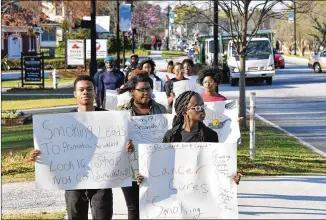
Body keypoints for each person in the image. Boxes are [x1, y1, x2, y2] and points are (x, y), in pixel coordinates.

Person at [30, 75, 129, 220]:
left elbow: (121, 144)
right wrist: (38, 154)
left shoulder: (110, 118)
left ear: (95, 92)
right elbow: (54, 149)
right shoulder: (63, 122)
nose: (85, 92)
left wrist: (127, 145)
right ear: (75, 93)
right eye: (81, 89)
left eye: (89, 89)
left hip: (101, 180)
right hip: (74, 180)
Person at [136, 91, 242, 184]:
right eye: (197, 107)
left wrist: (230, 177)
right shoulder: (171, 136)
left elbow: (216, 165)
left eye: (203, 106)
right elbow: (161, 165)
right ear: (184, 111)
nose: (202, 110)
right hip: (175, 190)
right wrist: (145, 177)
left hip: (200, 190)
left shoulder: (210, 135)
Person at [115, 74, 167, 220]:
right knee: (133, 208)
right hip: (130, 167)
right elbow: (115, 140)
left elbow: (167, 137)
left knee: (155, 206)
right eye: (142, 90)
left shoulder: (161, 110)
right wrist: (124, 144)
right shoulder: (120, 112)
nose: (146, 93)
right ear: (132, 91)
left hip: (156, 166)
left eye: (149, 89)